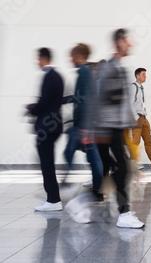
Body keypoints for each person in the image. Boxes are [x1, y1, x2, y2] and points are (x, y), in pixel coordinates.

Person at [95, 28, 144, 229]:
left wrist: (130, 122)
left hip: (115, 128)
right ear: (119, 43)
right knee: (123, 169)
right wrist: (101, 131)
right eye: (127, 41)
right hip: (108, 129)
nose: (130, 44)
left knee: (122, 169)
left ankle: (121, 210)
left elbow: (120, 102)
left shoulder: (119, 68)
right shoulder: (111, 69)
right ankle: (121, 212)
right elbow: (102, 101)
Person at [62, 43, 104, 202]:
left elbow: (87, 101)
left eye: (72, 56)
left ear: (79, 56)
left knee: (89, 157)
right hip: (84, 125)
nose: (70, 59)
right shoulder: (85, 73)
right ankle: (96, 189)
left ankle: (73, 184)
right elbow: (81, 97)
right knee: (92, 157)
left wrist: (86, 128)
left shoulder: (85, 73)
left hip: (84, 126)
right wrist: (65, 100)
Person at [27, 48, 65, 212]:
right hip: (54, 125)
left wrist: (31, 108)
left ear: (44, 58)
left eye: (38, 59)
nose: (37, 62)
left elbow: (45, 103)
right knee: (47, 162)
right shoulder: (57, 76)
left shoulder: (49, 77)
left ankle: (53, 200)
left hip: (47, 127)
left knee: (46, 163)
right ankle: (53, 198)